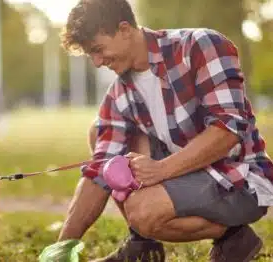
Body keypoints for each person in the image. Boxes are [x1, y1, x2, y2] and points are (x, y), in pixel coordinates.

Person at [57, 0, 273, 261]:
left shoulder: (199, 46)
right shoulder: (119, 93)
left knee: (142, 212)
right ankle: (142, 247)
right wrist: (61, 248)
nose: (97, 62)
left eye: (99, 49)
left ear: (125, 29)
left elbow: (228, 130)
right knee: (99, 132)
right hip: (183, 171)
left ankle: (234, 237)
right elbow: (100, 170)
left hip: (237, 177)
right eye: (91, 54)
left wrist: (161, 170)